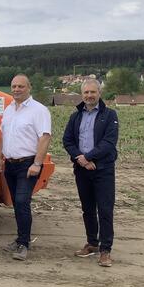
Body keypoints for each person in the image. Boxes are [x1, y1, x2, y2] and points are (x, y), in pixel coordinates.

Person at [63, 79, 119, 267]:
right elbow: (68, 140)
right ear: (82, 94)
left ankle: (105, 250)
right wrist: (80, 158)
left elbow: (109, 142)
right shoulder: (76, 117)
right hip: (82, 170)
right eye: (86, 92)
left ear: (99, 93)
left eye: (92, 92)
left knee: (104, 209)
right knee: (88, 209)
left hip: (103, 170)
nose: (89, 95)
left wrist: (89, 157)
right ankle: (92, 243)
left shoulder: (109, 115)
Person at [0, 74, 51, 261]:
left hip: (28, 164)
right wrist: (0, 157)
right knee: (16, 203)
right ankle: (20, 239)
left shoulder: (39, 110)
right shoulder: (9, 109)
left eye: (20, 86)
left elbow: (45, 137)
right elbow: (3, 135)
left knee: (21, 202)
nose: (16, 90)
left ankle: (24, 244)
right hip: (10, 163)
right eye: (14, 86)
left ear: (29, 88)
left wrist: (37, 163)